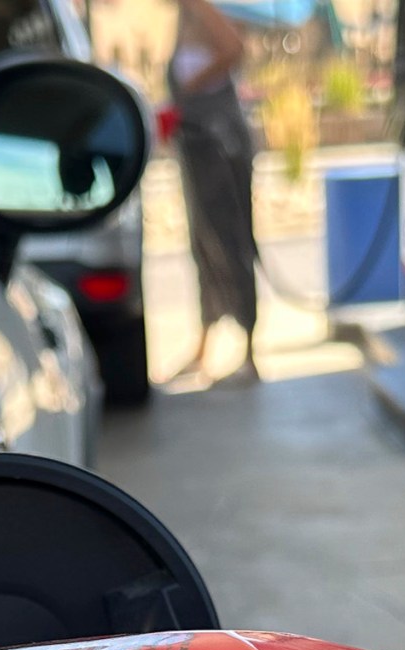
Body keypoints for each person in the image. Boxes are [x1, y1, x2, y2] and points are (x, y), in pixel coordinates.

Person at [167, 0, 258, 386]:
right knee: (202, 242)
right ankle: (206, 341)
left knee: (231, 240)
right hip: (197, 148)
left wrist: (190, 88)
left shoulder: (202, 10)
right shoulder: (181, 17)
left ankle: (251, 351)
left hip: (221, 149)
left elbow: (234, 50)